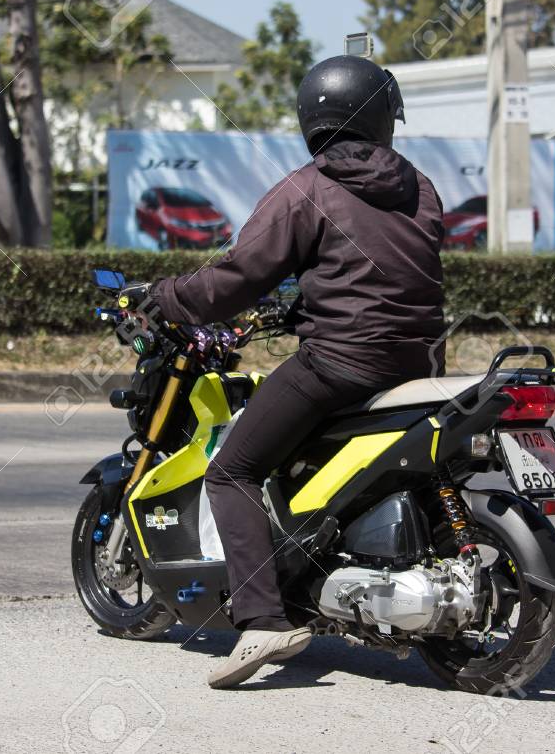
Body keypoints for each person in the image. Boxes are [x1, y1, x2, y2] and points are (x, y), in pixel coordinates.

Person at [146, 54, 446, 688]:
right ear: (382, 118)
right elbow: (385, 274)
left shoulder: (308, 189)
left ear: (314, 118)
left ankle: (261, 622)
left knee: (233, 469)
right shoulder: (422, 187)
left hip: (340, 362)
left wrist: (166, 297)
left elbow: (236, 279)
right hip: (419, 364)